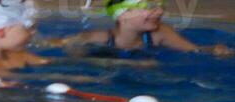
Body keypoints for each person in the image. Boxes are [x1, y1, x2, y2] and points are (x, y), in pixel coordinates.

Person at [59, 0, 233, 57]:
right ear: (122, 15)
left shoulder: (160, 34)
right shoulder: (97, 38)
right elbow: (61, 46)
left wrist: (213, 50)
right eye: (148, 6)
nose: (158, 11)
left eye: (159, 4)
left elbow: (194, 50)